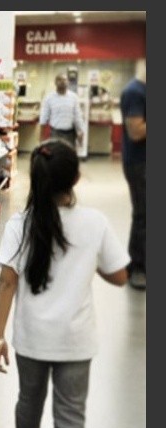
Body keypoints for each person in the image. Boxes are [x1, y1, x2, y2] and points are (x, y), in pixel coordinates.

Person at [0, 140, 129, 428]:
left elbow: (7, 281)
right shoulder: (95, 223)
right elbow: (120, 276)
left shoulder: (21, 224)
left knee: (28, 403)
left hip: (32, 338)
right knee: (70, 417)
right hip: (75, 340)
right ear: (76, 179)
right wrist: (89, 261)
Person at [120, 60, 146, 290]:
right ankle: (137, 267)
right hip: (139, 164)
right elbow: (136, 131)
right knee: (143, 214)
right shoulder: (134, 92)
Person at [39, 74, 85, 149]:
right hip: (55, 133)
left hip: (70, 134)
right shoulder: (49, 98)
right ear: (55, 82)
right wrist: (41, 137)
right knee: (56, 157)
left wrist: (81, 131)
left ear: (68, 82)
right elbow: (43, 118)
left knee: (70, 157)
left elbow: (78, 116)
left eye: (65, 80)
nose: (63, 82)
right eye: (60, 80)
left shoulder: (74, 97)